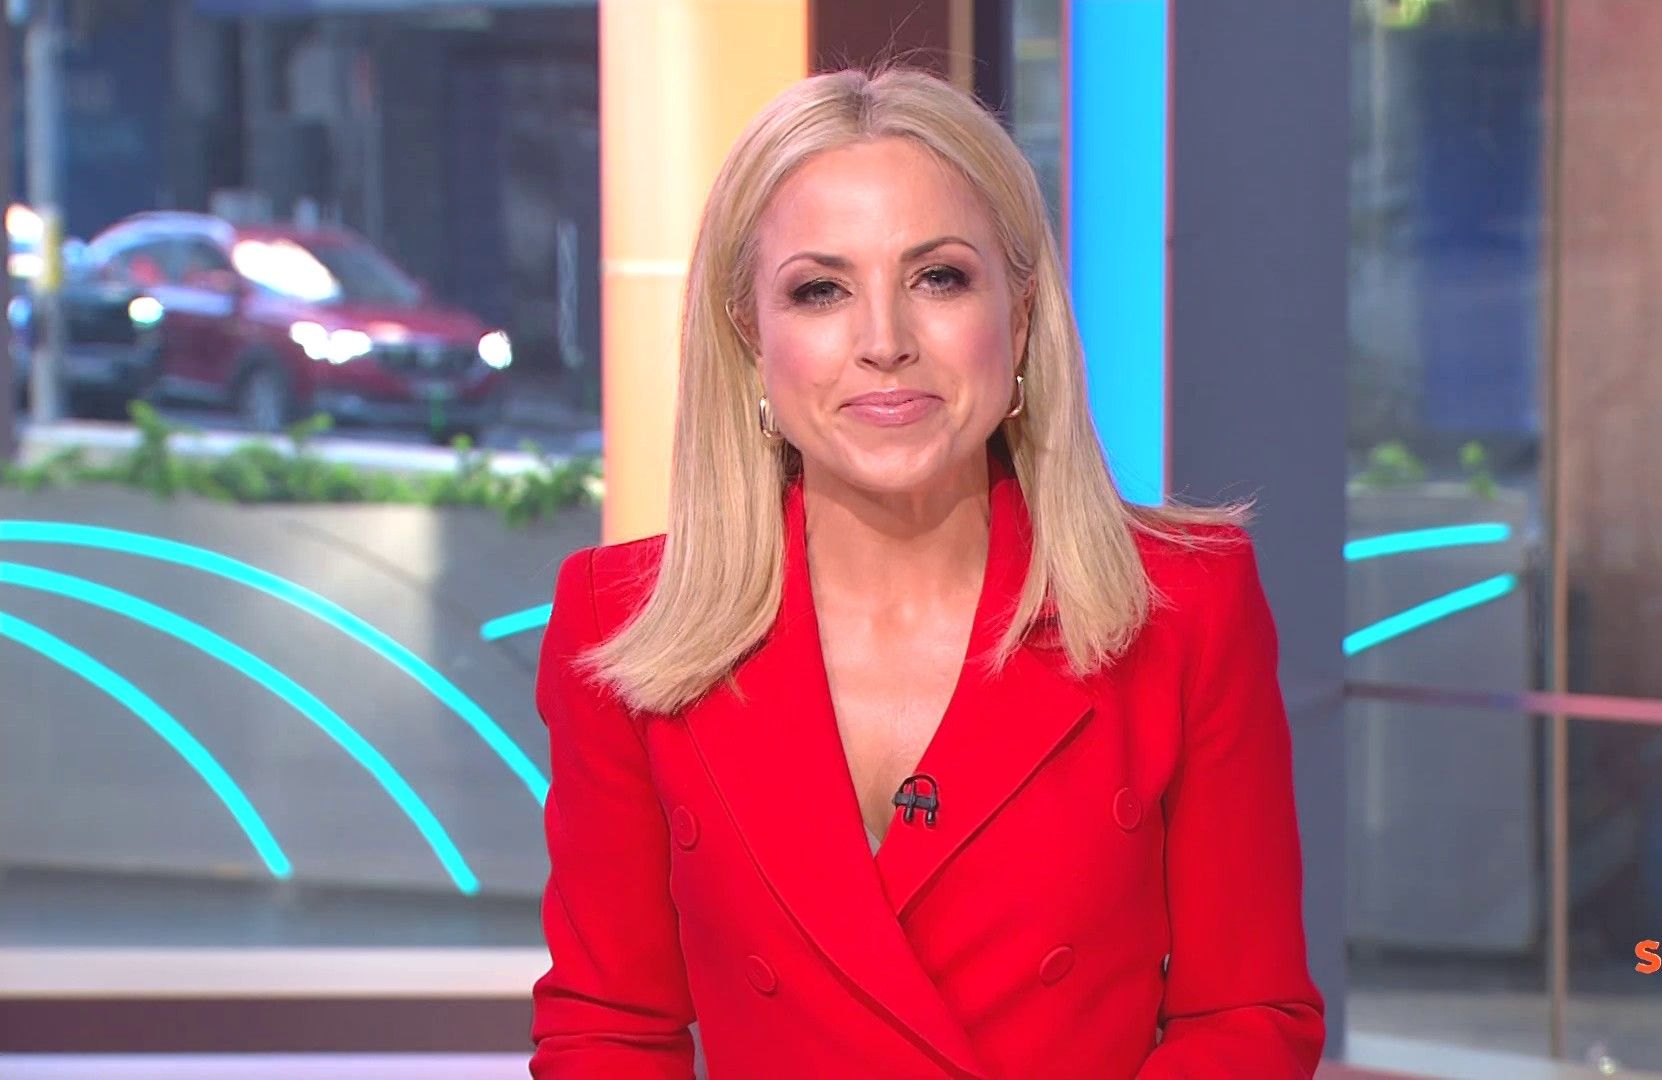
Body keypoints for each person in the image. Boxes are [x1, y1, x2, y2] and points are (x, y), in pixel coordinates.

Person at [529, 64, 1324, 1080]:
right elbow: (608, 1030)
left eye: (938, 278)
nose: (885, 343)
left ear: (1020, 316)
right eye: (820, 290)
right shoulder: (619, 625)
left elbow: (1247, 1016)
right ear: (750, 337)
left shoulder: (1185, 608)